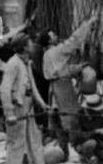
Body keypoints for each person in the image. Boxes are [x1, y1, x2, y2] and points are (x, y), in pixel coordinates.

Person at [0, 34, 61, 164]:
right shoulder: (13, 64)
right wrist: (9, 114)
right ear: (24, 47)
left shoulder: (26, 63)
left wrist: (43, 105)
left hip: (28, 106)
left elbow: (32, 87)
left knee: (35, 141)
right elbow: (4, 90)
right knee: (16, 143)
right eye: (30, 43)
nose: (33, 45)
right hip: (16, 107)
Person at [41, 17, 97, 152]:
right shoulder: (57, 51)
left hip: (54, 87)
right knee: (70, 114)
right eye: (52, 34)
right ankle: (77, 145)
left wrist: (78, 67)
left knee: (58, 115)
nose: (55, 35)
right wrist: (88, 24)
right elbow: (74, 41)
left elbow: (63, 70)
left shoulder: (47, 54)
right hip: (62, 86)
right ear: (49, 40)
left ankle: (63, 147)